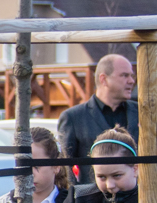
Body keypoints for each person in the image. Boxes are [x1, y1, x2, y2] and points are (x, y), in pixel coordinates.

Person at [57, 55, 138, 185]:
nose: (131, 81)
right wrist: (78, 198)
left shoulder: (142, 114)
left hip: (139, 201)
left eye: (131, 75)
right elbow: (65, 166)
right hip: (93, 202)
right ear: (103, 79)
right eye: (124, 75)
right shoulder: (74, 117)